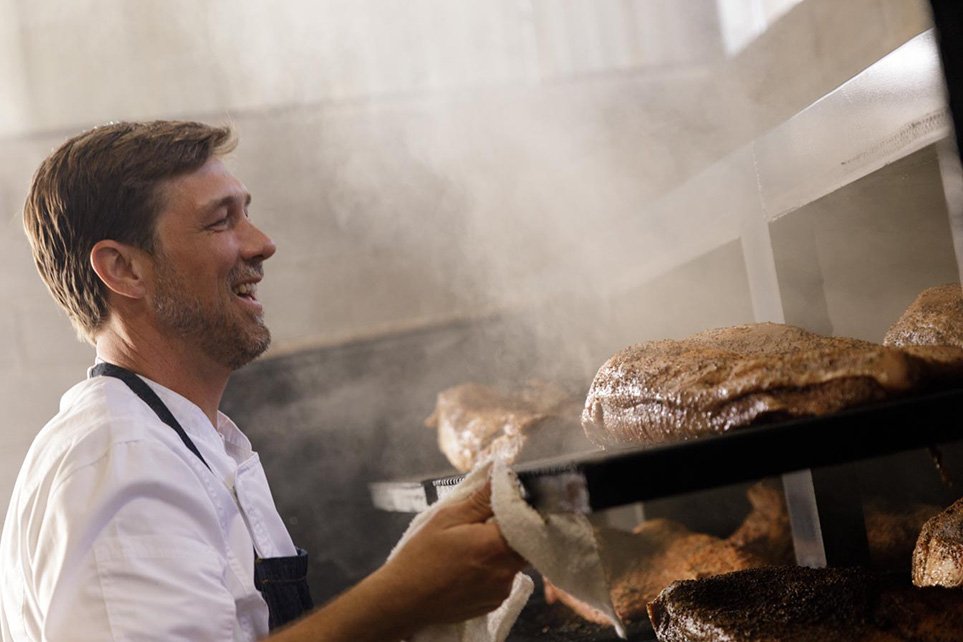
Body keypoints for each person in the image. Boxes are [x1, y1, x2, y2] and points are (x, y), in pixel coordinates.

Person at [0, 120, 527, 642]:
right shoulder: (124, 463)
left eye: (245, 214)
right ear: (124, 270)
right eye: (220, 222)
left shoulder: (188, 441)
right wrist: (403, 597)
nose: (262, 244)